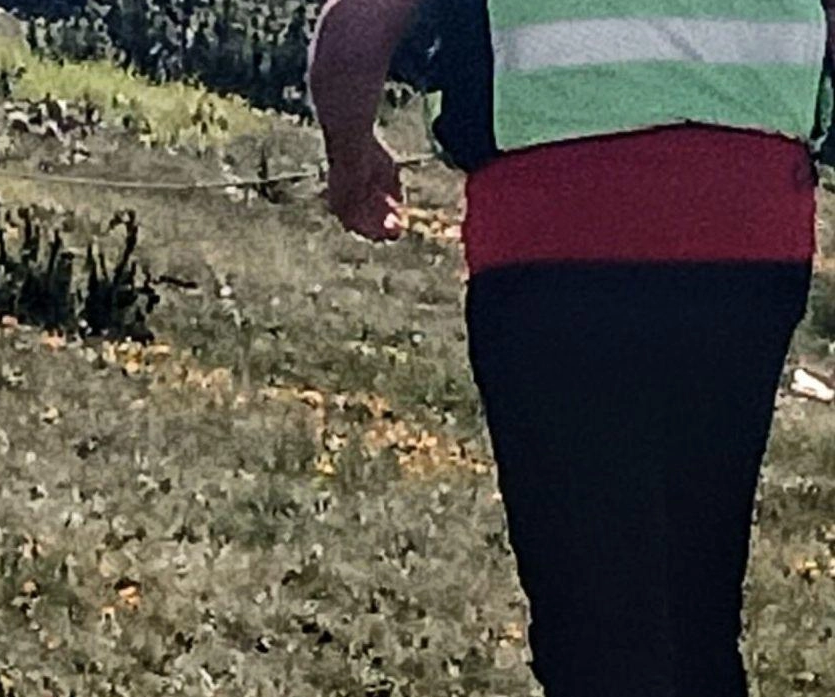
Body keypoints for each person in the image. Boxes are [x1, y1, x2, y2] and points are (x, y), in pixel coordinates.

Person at [307, 1, 833, 696]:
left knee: (597, 621)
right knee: (696, 603)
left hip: (556, 236)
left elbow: (357, 28)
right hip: (750, 234)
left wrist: (351, 158)